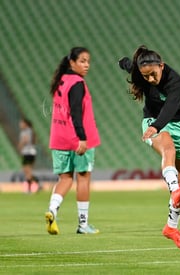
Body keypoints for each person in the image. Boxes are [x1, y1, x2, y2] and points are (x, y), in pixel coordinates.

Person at [118, 45, 180, 251]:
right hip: (153, 121)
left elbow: (171, 107)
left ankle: (171, 228)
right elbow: (129, 65)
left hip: (177, 124)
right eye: (145, 77)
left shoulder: (176, 82)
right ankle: (173, 191)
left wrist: (156, 126)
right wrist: (123, 62)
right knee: (167, 149)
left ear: (161, 66)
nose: (150, 80)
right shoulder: (140, 73)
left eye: (153, 74)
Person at [45, 47, 101, 235]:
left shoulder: (61, 81)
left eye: (88, 61)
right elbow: (76, 112)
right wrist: (82, 138)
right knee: (83, 177)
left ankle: (52, 209)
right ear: (72, 62)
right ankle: (83, 225)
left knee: (65, 178)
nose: (86, 65)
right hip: (78, 138)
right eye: (82, 61)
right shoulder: (77, 83)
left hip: (59, 137)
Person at [18, 118, 39, 194]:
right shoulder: (32, 131)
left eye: (21, 123)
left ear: (25, 124)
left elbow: (25, 140)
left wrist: (20, 146)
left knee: (27, 171)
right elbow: (35, 141)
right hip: (32, 152)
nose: (20, 125)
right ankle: (34, 183)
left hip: (27, 152)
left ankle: (29, 189)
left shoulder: (25, 132)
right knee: (29, 171)